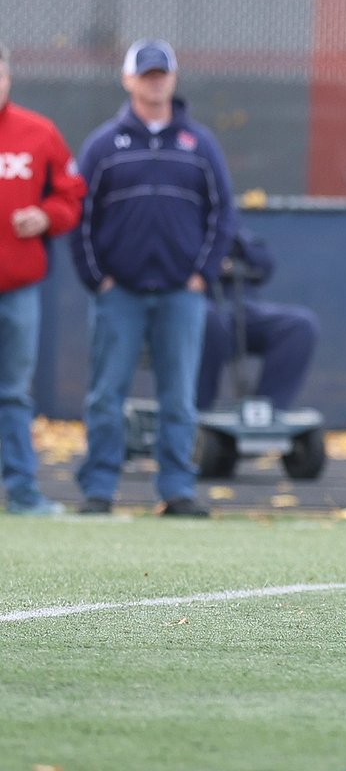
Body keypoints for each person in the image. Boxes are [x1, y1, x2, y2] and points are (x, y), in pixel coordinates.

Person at [70, 38, 237, 517]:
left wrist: (201, 275)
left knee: (179, 398)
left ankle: (176, 489)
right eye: (145, 74)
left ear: (173, 78)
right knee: (106, 394)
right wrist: (95, 277)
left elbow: (222, 214)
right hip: (117, 293)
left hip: (180, 294)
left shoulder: (199, 144)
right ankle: (99, 488)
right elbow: (80, 216)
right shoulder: (103, 144)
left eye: (161, 73)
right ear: (128, 81)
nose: (155, 81)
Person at [0, 41, 86, 516]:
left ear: (9, 77)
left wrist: (45, 215)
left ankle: (21, 492)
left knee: (12, 392)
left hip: (17, 290)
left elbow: (72, 196)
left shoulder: (39, 133)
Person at [196, 228, 320, 412]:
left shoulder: (223, 221)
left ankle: (265, 414)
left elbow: (265, 264)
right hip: (192, 305)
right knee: (210, 320)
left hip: (241, 306)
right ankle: (197, 414)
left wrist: (236, 247)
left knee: (299, 324)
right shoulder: (175, 216)